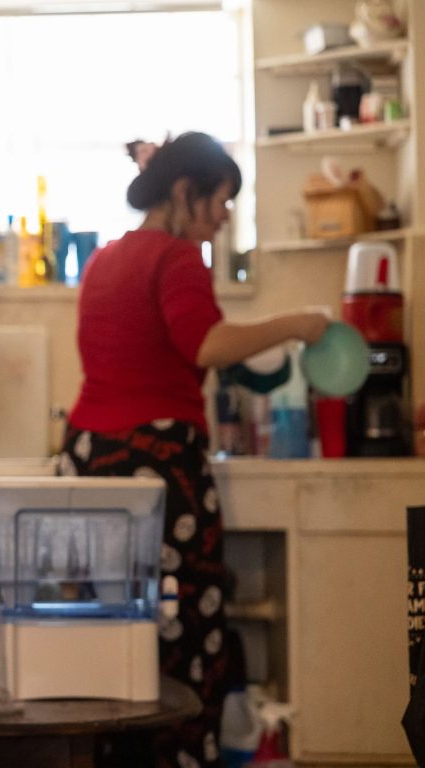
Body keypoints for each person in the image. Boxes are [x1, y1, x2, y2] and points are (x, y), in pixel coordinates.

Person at [59, 132, 329, 768]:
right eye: (221, 200)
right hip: (159, 464)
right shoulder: (177, 258)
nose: (226, 215)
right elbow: (205, 345)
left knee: (110, 633)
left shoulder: (104, 257)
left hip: (88, 456)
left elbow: (149, 349)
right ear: (185, 193)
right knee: (182, 635)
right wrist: (298, 324)